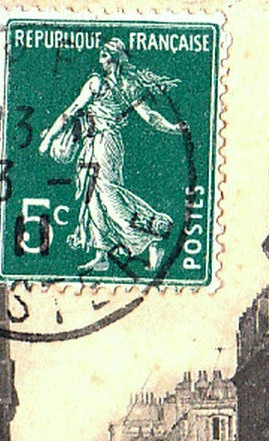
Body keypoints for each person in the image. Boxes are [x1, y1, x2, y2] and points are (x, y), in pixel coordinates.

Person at [36, 39, 191, 274]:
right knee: (91, 198)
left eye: (106, 53)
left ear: (116, 58)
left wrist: (172, 128)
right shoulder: (99, 82)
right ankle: (101, 254)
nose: (102, 55)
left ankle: (151, 236)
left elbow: (149, 116)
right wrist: (48, 140)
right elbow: (71, 112)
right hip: (91, 143)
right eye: (102, 52)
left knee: (108, 195)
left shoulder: (119, 85)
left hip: (107, 143)